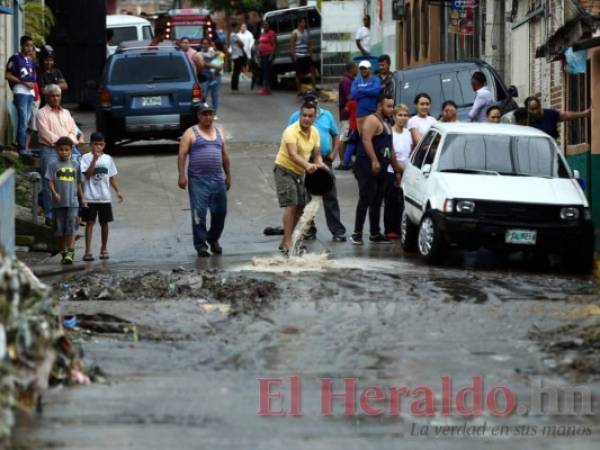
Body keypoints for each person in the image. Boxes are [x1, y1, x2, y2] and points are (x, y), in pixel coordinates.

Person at [288, 92, 346, 242]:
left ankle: (337, 231)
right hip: (304, 161)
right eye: (307, 100)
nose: (310, 103)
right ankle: (309, 229)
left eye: (313, 100)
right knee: (306, 196)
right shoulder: (296, 117)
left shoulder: (326, 116)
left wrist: (334, 153)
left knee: (330, 195)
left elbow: (335, 134)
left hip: (323, 161)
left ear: (317, 100)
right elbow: (289, 139)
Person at [178, 102, 231, 257]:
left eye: (210, 114)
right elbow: (182, 155)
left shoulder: (219, 132)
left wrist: (228, 175)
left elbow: (225, 156)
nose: (208, 117)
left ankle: (213, 239)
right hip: (198, 180)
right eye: (204, 114)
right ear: (198, 116)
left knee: (220, 212)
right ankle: (201, 245)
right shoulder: (191, 133)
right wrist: (182, 175)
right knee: (199, 213)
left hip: (217, 179)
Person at [351, 94, 403, 246]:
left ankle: (374, 233)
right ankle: (357, 233)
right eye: (388, 106)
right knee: (365, 198)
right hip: (367, 166)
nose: (391, 109)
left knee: (377, 200)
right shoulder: (372, 120)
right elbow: (366, 139)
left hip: (382, 168)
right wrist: (374, 160)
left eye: (392, 106)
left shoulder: (387, 123)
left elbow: (389, 149)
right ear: (380, 106)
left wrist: (396, 170)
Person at [274, 102, 325, 254]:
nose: (307, 119)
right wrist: (307, 166)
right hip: (284, 169)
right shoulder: (291, 131)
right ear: (299, 115)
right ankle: (288, 241)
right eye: (304, 115)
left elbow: (316, 155)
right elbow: (293, 154)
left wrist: (321, 166)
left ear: (314, 117)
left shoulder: (315, 132)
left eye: (310, 116)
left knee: (301, 205)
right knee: (292, 204)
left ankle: (286, 239)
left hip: (299, 172)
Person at [37, 84, 83, 224]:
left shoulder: (66, 113)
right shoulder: (41, 113)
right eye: (52, 96)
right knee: (49, 182)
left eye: (57, 95)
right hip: (50, 150)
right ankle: (51, 215)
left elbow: (73, 129)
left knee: (69, 181)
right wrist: (65, 141)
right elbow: (46, 134)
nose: (55, 98)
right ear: (46, 97)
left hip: (68, 150)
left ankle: (70, 212)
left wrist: (71, 140)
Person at [80, 132, 123, 261]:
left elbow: (111, 177)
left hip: (104, 197)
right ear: (90, 145)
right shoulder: (85, 158)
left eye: (100, 144)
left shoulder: (108, 159)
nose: (97, 147)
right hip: (90, 197)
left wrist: (117, 191)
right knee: (90, 223)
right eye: (95, 144)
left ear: (104, 145)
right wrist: (94, 159)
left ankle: (104, 248)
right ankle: (88, 250)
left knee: (104, 223)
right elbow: (87, 174)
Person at [45, 136, 84, 264]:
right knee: (60, 231)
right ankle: (64, 253)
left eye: (67, 149)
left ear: (71, 150)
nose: (64, 152)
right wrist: (54, 193)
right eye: (61, 149)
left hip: (72, 202)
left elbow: (78, 183)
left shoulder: (75, 164)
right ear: (57, 150)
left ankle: (70, 254)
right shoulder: (52, 165)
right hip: (58, 204)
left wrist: (82, 198)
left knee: (71, 229)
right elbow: (49, 180)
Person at [5, 35, 36, 156]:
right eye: (27, 45)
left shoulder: (30, 60)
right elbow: (8, 75)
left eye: (31, 46)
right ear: (22, 45)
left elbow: (32, 76)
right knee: (22, 119)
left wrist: (32, 85)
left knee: (26, 120)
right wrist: (23, 82)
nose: (29, 48)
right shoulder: (15, 58)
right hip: (20, 91)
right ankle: (21, 148)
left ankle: (22, 146)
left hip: (30, 93)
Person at [384, 104, 411, 239]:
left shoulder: (408, 133)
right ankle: (390, 229)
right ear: (394, 117)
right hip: (392, 172)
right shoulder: (390, 133)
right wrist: (397, 172)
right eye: (400, 115)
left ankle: (399, 228)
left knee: (401, 202)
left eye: (405, 115)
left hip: (406, 173)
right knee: (391, 201)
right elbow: (388, 153)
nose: (403, 118)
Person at [525, 96, 591, 139]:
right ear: (527, 109)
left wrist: (584, 113)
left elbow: (566, 115)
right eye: (532, 109)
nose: (535, 111)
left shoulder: (549, 114)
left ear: (540, 105)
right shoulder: (526, 122)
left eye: (537, 108)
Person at [351, 60, 381, 134]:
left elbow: (376, 91)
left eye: (365, 68)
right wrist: (368, 91)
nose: (363, 70)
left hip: (372, 114)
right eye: (361, 69)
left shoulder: (375, 80)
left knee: (374, 137)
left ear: (370, 69)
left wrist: (361, 90)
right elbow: (354, 94)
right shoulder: (356, 81)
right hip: (360, 115)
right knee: (362, 138)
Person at [337, 62, 357, 168]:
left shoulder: (350, 80)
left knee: (348, 137)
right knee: (344, 137)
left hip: (350, 113)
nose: (357, 70)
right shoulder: (346, 80)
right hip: (346, 113)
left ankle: (346, 160)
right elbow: (349, 96)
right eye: (355, 68)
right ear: (351, 69)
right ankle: (342, 161)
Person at [290, 18, 317, 94]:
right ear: (298, 23)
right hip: (299, 56)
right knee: (299, 75)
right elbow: (292, 46)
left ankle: (314, 89)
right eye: (302, 22)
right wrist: (294, 57)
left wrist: (312, 55)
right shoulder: (295, 33)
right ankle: (299, 91)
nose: (304, 24)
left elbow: (309, 45)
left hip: (307, 56)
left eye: (304, 22)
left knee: (313, 72)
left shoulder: (306, 32)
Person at [198, 38, 223, 117]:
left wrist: (206, 64)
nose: (205, 45)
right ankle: (203, 112)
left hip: (216, 77)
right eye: (203, 43)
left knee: (215, 95)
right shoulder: (198, 54)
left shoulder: (217, 53)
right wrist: (213, 65)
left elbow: (219, 67)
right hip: (204, 77)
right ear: (201, 44)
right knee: (203, 95)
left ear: (209, 45)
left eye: (206, 43)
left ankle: (214, 113)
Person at [256, 21, 277, 96]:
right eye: (264, 26)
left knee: (266, 72)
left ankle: (265, 89)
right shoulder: (262, 33)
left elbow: (274, 45)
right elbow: (259, 43)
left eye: (267, 25)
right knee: (264, 71)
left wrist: (272, 55)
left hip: (268, 54)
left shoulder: (271, 33)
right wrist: (258, 51)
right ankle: (267, 89)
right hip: (262, 55)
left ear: (269, 26)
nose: (265, 27)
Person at [339, 96, 359, 170]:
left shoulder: (350, 103)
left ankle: (345, 162)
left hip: (353, 127)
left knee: (351, 144)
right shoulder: (360, 103)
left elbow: (345, 111)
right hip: (361, 126)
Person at [229, 23, 247, 92]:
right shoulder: (234, 35)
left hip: (237, 54)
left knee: (236, 71)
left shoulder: (233, 35)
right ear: (234, 28)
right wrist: (241, 43)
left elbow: (241, 44)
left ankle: (235, 86)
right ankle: (234, 87)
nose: (238, 29)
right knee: (236, 72)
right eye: (237, 28)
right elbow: (242, 44)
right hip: (237, 55)